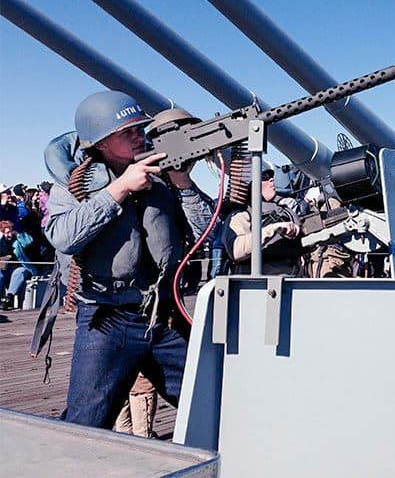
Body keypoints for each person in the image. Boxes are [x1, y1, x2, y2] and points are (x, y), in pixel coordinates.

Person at [44, 91, 213, 429]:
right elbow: (61, 236)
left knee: (213, 396)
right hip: (106, 319)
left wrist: (183, 183)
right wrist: (118, 190)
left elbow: (205, 231)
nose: (141, 137)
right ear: (102, 143)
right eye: (128, 132)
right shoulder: (75, 185)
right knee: (86, 423)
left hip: (162, 316)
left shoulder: (163, 178)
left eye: (141, 129)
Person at [220, 165, 303, 276]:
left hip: (292, 278)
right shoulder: (241, 215)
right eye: (264, 177)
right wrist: (272, 229)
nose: (271, 179)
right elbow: (236, 250)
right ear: (250, 185)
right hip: (260, 285)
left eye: (271, 176)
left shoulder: (282, 210)